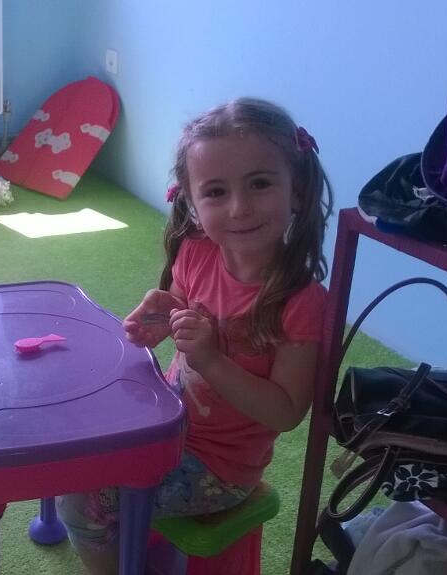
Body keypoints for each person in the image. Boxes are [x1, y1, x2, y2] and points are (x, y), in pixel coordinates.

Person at [56, 97, 334, 574]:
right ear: (191, 200)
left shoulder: (301, 302)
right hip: (165, 424)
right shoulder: (196, 251)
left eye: (260, 183)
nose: (240, 208)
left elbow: (286, 411)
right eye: (216, 192)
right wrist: (163, 316)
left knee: (81, 500)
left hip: (221, 469)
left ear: (298, 190)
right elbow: (183, 311)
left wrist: (212, 361)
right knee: (72, 438)